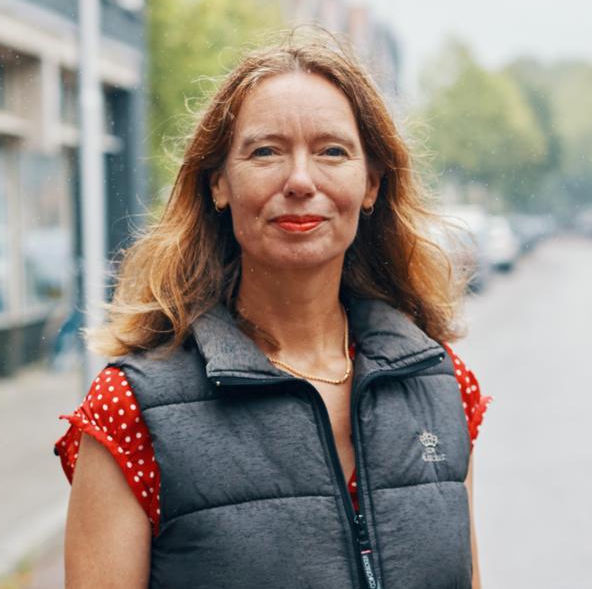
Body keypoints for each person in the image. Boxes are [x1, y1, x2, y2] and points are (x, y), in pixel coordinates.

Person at [55, 32, 491, 589]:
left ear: (372, 185)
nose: (301, 181)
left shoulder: (442, 384)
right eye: (265, 151)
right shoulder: (131, 410)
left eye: (332, 151)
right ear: (219, 184)